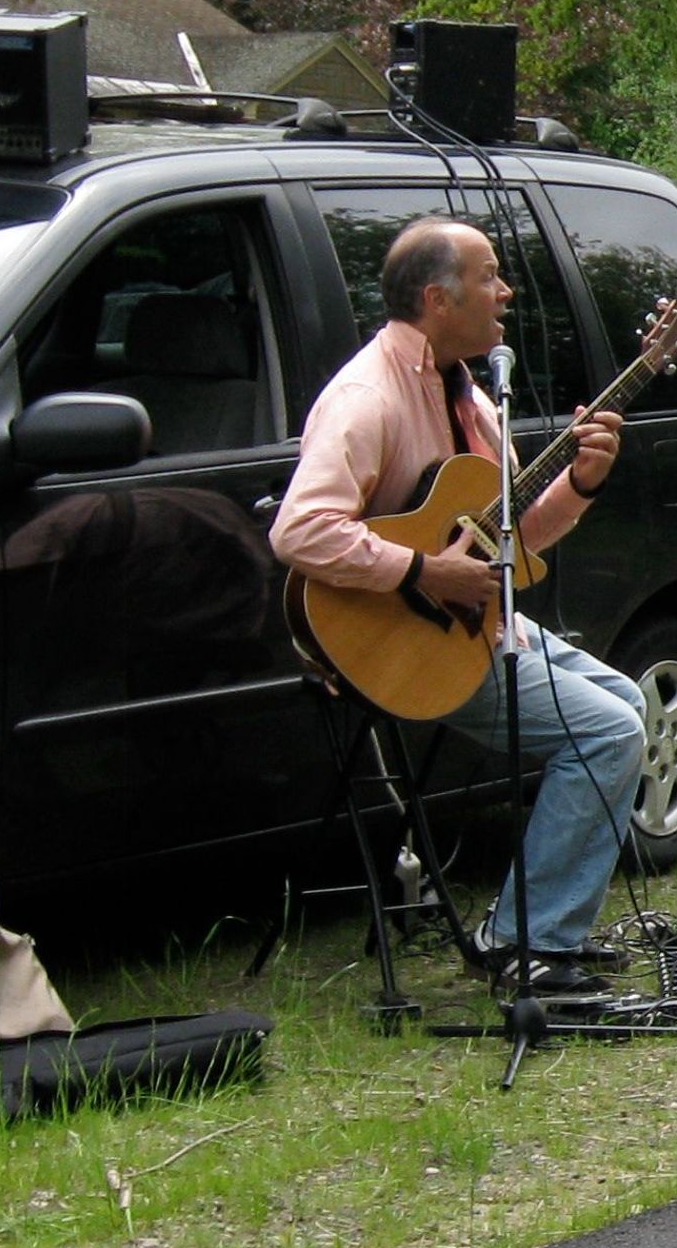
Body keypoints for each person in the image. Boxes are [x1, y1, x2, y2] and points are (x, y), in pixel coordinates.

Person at [273, 217, 638, 982]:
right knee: (606, 735)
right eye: (489, 275)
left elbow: (511, 540)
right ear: (438, 300)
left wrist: (580, 481)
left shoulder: (474, 399)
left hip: (480, 623)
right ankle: (527, 943)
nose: (505, 291)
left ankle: (542, 926)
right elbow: (301, 532)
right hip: (402, 644)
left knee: (630, 706)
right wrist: (420, 573)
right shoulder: (366, 398)